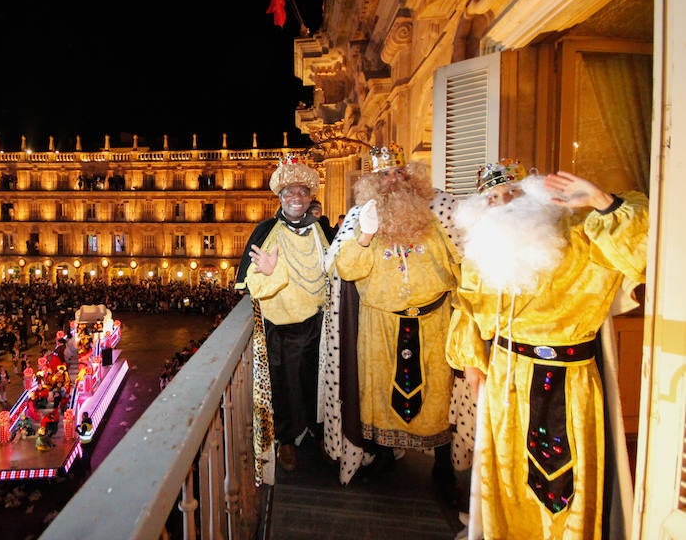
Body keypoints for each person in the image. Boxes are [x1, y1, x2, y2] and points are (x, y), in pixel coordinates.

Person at [446, 162, 648, 539]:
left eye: (513, 191)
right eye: (493, 197)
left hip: (570, 380)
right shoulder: (486, 252)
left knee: (567, 481)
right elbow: (468, 307)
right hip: (506, 380)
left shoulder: (581, 232)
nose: (504, 201)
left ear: (535, 193)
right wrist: (471, 363)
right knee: (507, 472)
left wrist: (602, 200)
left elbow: (640, 248)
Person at [321, 143, 463, 496]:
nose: (393, 179)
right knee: (379, 393)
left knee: (438, 395)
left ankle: (442, 464)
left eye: (399, 172)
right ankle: (384, 456)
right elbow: (346, 268)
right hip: (379, 323)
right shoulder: (362, 218)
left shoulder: (437, 213)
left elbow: (461, 262)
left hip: (434, 322)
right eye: (384, 174)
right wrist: (366, 235)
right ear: (373, 182)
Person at [234, 154, 330, 480]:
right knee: (283, 383)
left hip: (317, 321)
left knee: (316, 379)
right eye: (289, 192)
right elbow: (252, 284)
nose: (296, 197)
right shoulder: (266, 231)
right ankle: (286, 439)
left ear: (310, 197)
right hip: (281, 324)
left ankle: (318, 430)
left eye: (302, 191)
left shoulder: (320, 230)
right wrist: (269, 272)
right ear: (280, 197)